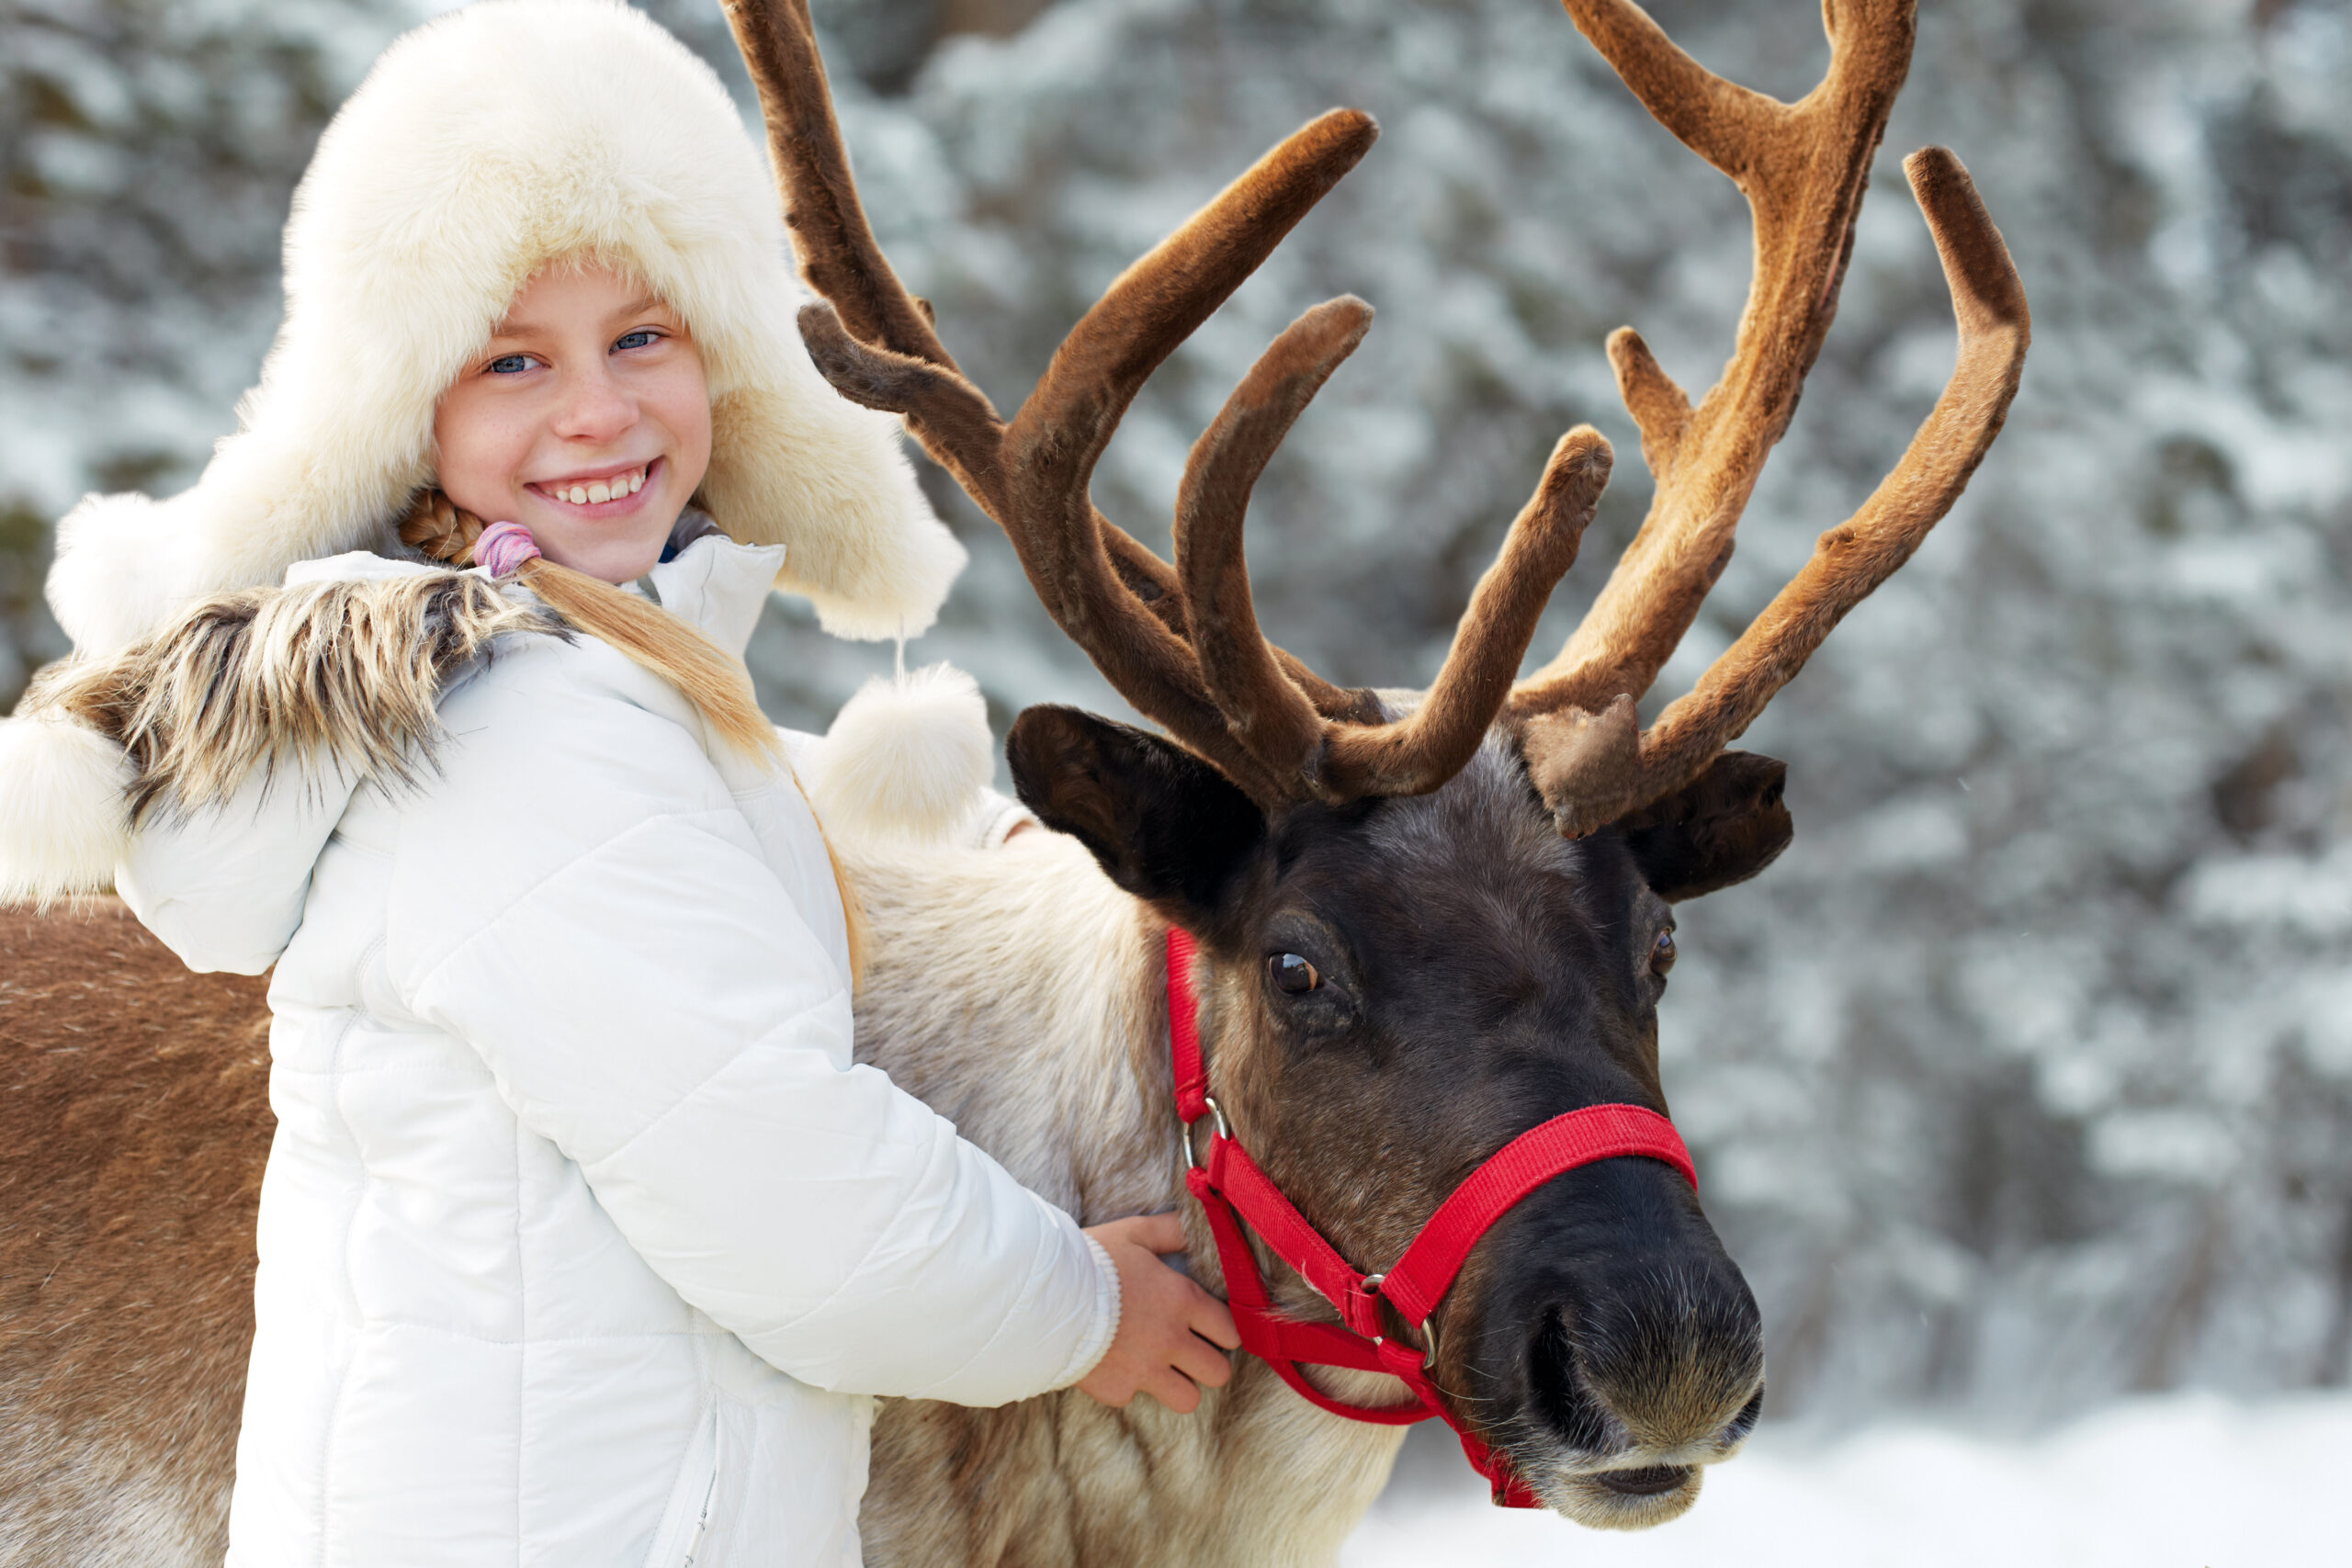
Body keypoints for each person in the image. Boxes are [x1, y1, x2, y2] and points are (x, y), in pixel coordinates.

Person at [0, 2, 1237, 1562]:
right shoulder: (528, 743)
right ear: (409, 416)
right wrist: (1082, 1312)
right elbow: (782, 1186)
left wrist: (994, 847)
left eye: (642, 337)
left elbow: (677, 832)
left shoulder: (546, 703)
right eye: (513, 358)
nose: (595, 411)